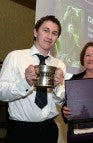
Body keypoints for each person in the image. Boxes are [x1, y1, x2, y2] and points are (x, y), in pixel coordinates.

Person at [0, 15, 66, 143]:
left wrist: (57, 85)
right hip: (21, 130)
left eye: (54, 33)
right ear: (35, 32)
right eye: (45, 30)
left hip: (49, 129)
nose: (49, 36)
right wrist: (26, 83)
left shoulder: (59, 64)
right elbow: (1, 92)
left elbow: (60, 101)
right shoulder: (15, 57)